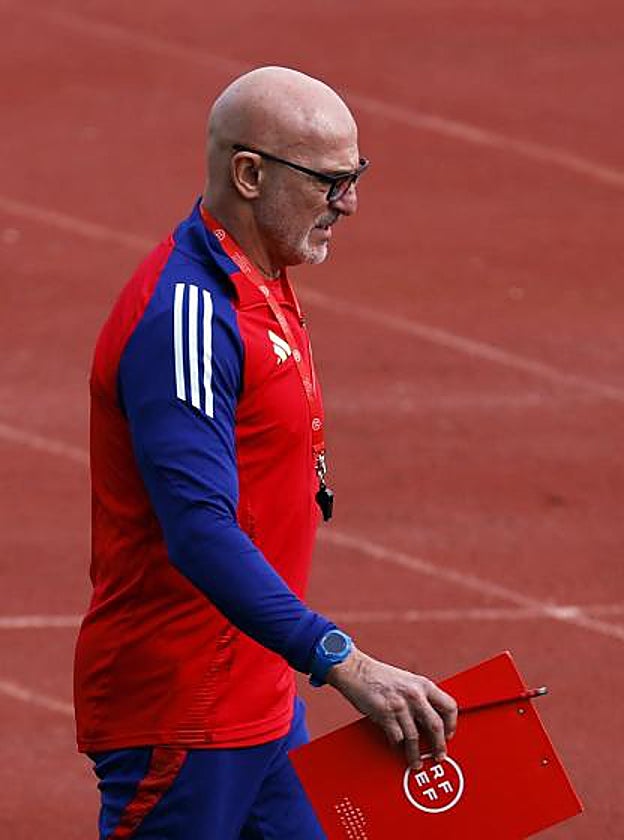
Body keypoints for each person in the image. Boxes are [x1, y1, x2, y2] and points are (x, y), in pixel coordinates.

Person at [74, 66, 457, 839]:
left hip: (260, 698)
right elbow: (200, 531)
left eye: (356, 176)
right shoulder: (187, 316)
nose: (348, 202)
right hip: (185, 715)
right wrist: (346, 661)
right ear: (248, 174)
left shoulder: (262, 277)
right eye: (329, 180)